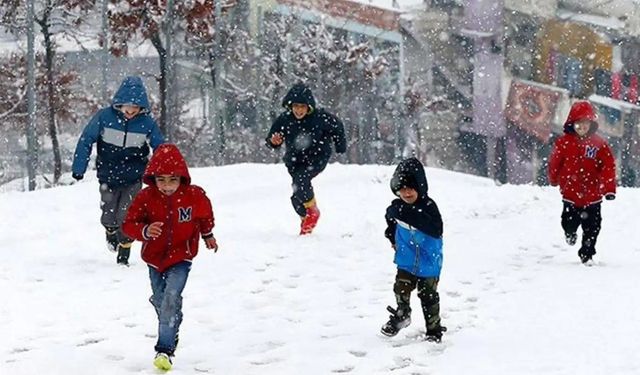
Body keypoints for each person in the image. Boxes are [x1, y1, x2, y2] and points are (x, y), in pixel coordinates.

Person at [121, 143, 218, 371]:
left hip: (181, 256)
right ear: (153, 178)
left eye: (172, 180)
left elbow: (204, 215)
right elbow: (129, 224)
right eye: (161, 180)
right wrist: (144, 231)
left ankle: (164, 349)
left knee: (171, 297)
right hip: (154, 258)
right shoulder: (146, 197)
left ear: (182, 178)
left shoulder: (194, 196)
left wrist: (208, 235)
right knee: (160, 300)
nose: (166, 186)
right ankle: (172, 323)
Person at [71, 76, 164, 266]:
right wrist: (79, 167)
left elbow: (160, 147)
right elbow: (86, 140)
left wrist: (163, 172)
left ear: (142, 108)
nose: (130, 112)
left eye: (135, 109)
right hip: (108, 175)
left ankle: (125, 250)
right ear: (119, 104)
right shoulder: (104, 118)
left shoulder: (147, 123)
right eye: (127, 108)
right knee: (109, 214)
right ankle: (110, 231)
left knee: (128, 215)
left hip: (133, 177)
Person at [265, 82, 347, 235]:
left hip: (317, 158)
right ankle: (306, 217)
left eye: (302, 107)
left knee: (302, 181)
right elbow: (272, 138)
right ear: (290, 106)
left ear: (309, 107)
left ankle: (313, 212)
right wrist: (273, 141)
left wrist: (340, 146)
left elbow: (337, 127)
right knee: (296, 196)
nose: (299, 110)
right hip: (294, 160)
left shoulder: (320, 118)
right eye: (296, 106)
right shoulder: (284, 119)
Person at [380, 157, 446, 343]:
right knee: (401, 287)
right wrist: (391, 236)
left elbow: (435, 228)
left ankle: (433, 329)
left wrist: (408, 214)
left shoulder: (428, 207)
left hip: (428, 260)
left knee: (428, 296)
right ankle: (402, 315)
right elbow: (391, 221)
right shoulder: (396, 207)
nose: (406, 193)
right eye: (401, 189)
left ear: (420, 187)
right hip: (407, 258)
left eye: (410, 188)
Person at [548, 100, 616, 264]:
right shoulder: (564, 143)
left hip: (593, 196)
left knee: (592, 227)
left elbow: (608, 167)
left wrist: (609, 189)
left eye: (585, 124)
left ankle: (587, 254)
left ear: (591, 124)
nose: (581, 127)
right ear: (572, 124)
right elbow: (555, 162)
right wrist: (554, 178)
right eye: (578, 124)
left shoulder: (599, 144)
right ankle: (570, 233)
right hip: (571, 194)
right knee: (568, 222)